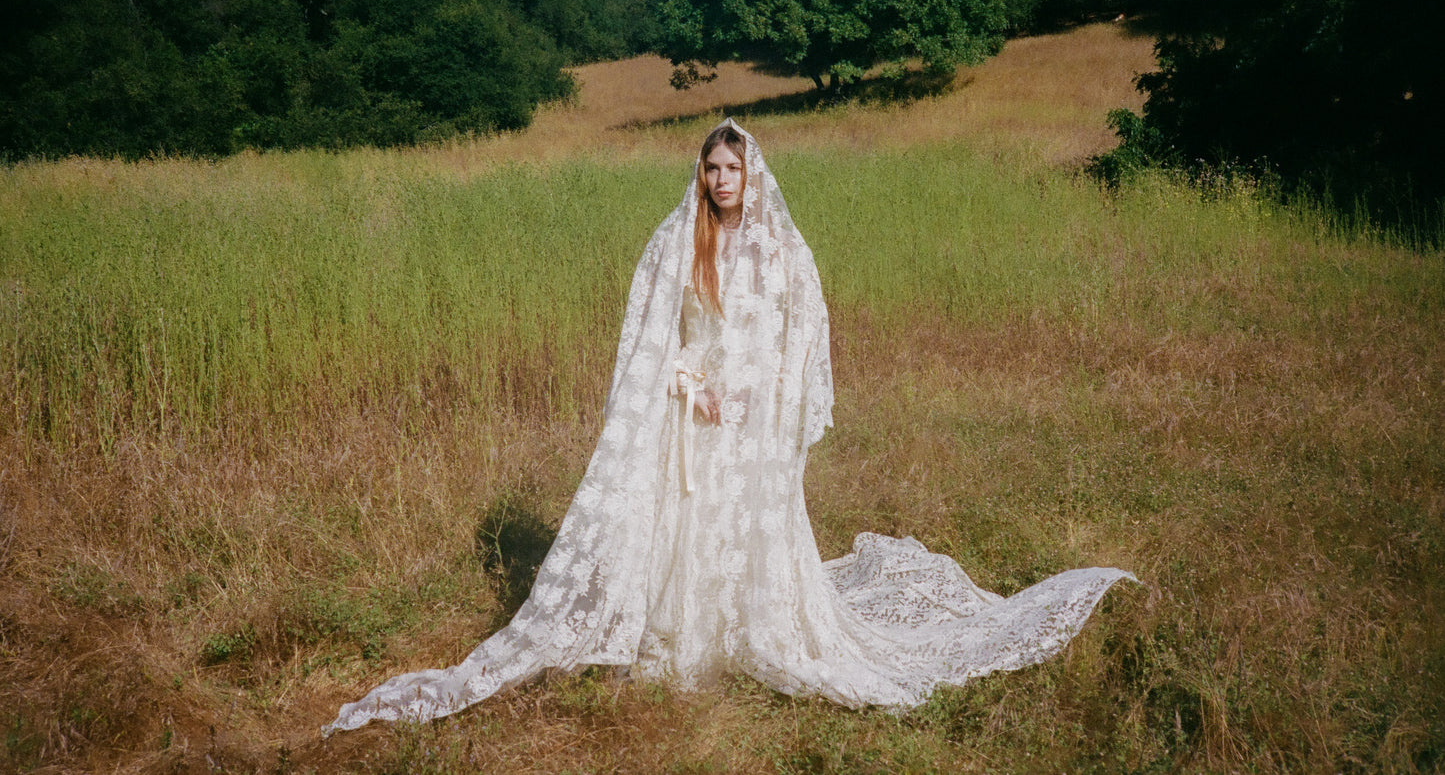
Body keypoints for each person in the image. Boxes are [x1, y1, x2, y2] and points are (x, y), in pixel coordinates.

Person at [324, 119, 1133, 733]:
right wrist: (691, 384)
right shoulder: (681, 242)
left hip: (759, 416)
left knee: (757, 525)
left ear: (752, 172)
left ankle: (759, 627)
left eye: (730, 167)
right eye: (709, 168)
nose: (719, 179)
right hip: (700, 413)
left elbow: (807, 328)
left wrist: (777, 403)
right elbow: (651, 338)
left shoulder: (781, 248)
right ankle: (688, 637)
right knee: (693, 523)